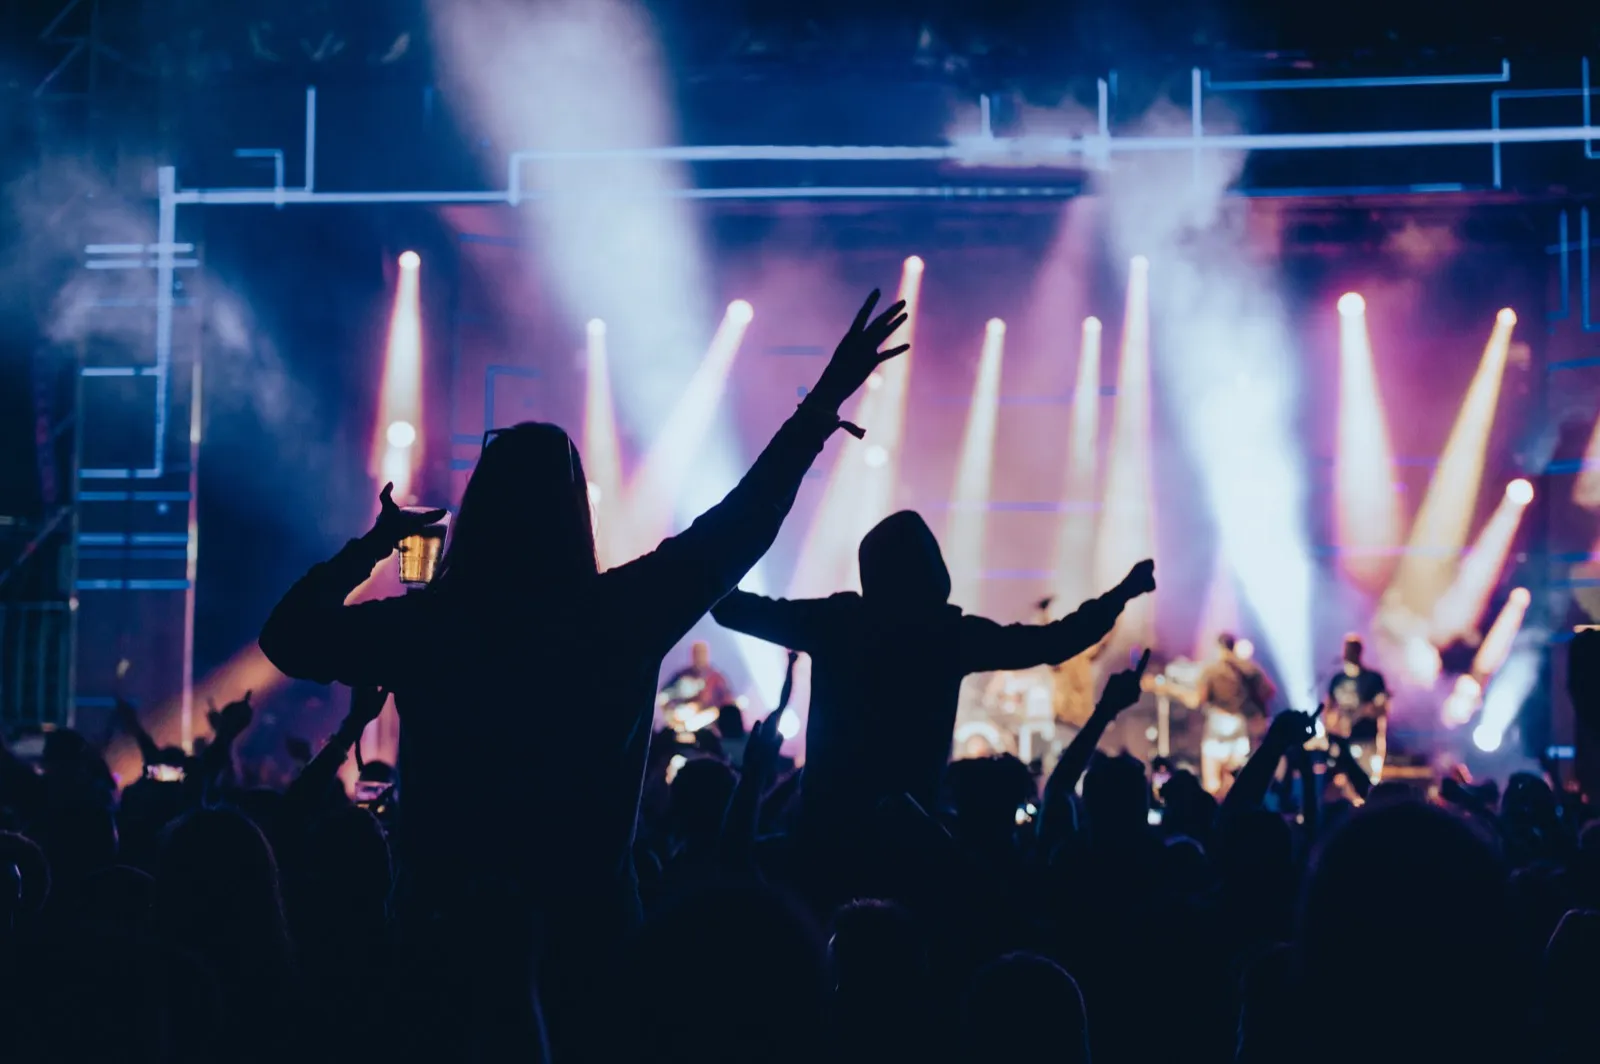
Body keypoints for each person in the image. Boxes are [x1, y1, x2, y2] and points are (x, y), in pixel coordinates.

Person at [257, 289, 909, 1058]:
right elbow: (744, 522)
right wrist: (823, 402)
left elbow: (288, 636)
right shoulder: (615, 614)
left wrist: (373, 546)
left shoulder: (428, 627)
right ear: (575, 513)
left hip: (441, 941)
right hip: (589, 942)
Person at [710, 509, 1154, 854]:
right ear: (932, 570)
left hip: (824, 828)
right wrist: (1123, 593)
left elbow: (732, 608)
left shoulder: (836, 621)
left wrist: (701, 551)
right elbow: (1054, 642)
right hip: (911, 833)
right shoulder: (948, 634)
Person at [1159, 633, 1277, 795]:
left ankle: (1214, 816)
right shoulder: (1248, 669)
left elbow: (1196, 700)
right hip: (1240, 726)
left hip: (1218, 725)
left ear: (1218, 648)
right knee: (1238, 785)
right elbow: (1270, 691)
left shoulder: (1212, 670)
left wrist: (1168, 688)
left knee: (1213, 784)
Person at [1324, 633, 1389, 782]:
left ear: (1360, 652)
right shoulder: (1337, 679)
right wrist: (1334, 725)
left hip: (1366, 741)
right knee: (1344, 783)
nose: (1348, 653)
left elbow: (1382, 708)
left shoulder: (1373, 679)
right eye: (1347, 649)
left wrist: (1362, 712)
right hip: (1342, 742)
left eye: (1352, 649)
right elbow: (1327, 708)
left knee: (1367, 784)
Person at [657, 641, 736, 740]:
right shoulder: (682, 675)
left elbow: (727, 703)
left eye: (702, 652)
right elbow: (663, 696)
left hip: (708, 731)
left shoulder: (717, 678)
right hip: (680, 728)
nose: (699, 656)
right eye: (696, 652)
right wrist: (671, 716)